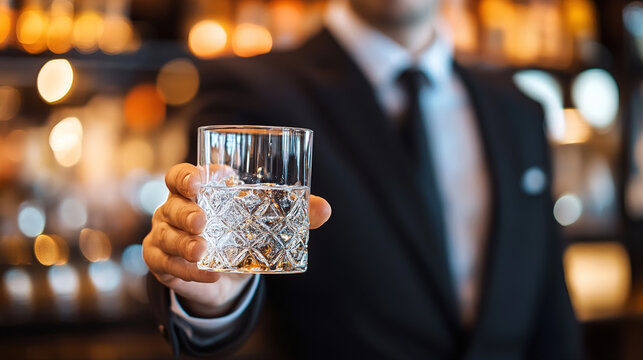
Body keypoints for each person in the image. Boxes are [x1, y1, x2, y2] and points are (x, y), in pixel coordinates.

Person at [143, 0, 582, 358]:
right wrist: (212, 296)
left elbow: (552, 314)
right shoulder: (251, 94)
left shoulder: (519, 111)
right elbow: (211, 256)